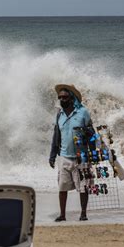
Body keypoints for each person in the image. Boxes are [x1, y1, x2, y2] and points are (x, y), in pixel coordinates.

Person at [49, 84, 92, 221]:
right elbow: (57, 136)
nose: (62, 99)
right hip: (64, 156)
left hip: (81, 156)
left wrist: (93, 153)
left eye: (65, 97)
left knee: (83, 186)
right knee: (62, 186)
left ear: (72, 98)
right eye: (60, 97)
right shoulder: (59, 115)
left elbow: (92, 133)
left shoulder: (83, 112)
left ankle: (83, 213)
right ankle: (62, 214)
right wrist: (52, 155)